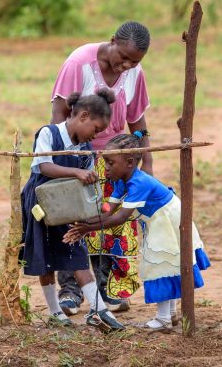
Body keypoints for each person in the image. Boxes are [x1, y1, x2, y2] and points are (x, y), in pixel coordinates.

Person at [51, 21, 152, 315]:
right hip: (78, 157)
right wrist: (64, 156)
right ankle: (70, 291)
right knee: (74, 222)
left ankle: (108, 290)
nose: (127, 65)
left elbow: (137, 122)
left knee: (111, 221)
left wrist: (147, 162)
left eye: (135, 61)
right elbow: (59, 113)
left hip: (116, 161)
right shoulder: (79, 63)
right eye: (123, 57)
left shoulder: (134, 73)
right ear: (112, 41)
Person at [63, 132, 211, 333]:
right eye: (105, 162)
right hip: (158, 221)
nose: (105, 167)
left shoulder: (138, 182)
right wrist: (85, 220)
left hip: (168, 220)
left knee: (161, 265)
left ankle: (163, 318)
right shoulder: (120, 179)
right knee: (167, 264)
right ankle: (169, 314)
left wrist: (88, 228)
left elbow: (120, 218)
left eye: (110, 163)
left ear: (130, 162)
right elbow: (109, 210)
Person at [21, 89, 124, 331]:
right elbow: (44, 165)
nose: (96, 135)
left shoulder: (86, 148)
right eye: (96, 129)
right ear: (84, 116)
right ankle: (55, 312)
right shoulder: (49, 133)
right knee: (45, 259)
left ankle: (98, 310)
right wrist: (77, 172)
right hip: (41, 204)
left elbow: (84, 185)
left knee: (77, 254)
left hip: (68, 207)